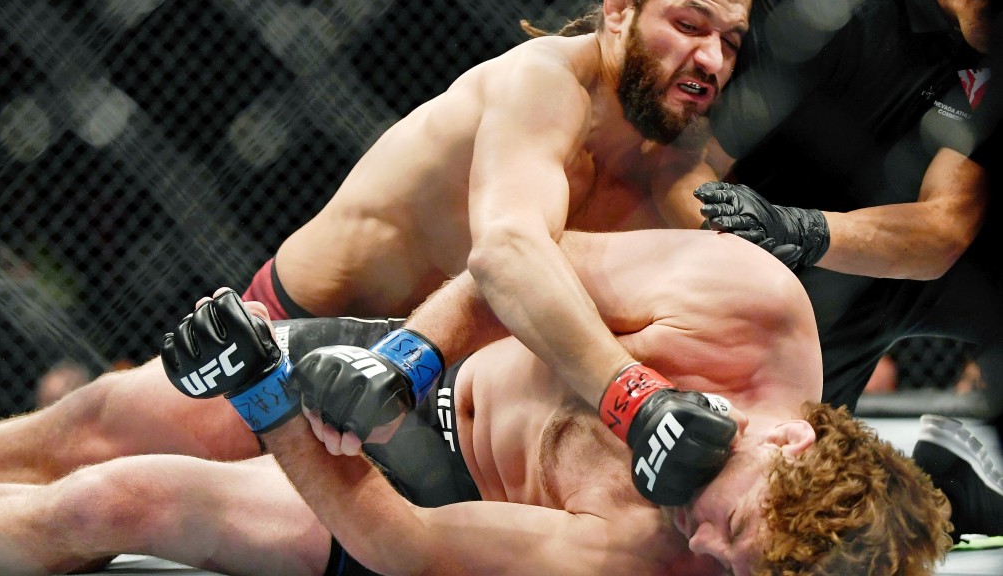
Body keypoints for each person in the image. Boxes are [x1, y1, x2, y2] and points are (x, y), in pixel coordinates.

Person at [0, 0, 756, 562]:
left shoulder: (677, 174)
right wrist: (638, 402)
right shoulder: (545, 84)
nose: (710, 58)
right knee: (74, 448)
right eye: (689, 24)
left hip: (424, 422)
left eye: (731, 41)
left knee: (115, 507)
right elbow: (506, 251)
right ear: (619, 7)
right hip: (297, 330)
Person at [158, 228, 950, 576]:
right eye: (734, 525)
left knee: (123, 499)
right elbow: (511, 261)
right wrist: (404, 362)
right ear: (786, 443)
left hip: (439, 496)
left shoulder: (658, 558)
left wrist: (263, 396)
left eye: (729, 569)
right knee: (108, 419)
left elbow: (409, 547)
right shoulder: (756, 313)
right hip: (430, 367)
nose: (706, 545)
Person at [687, 0, 1002, 536]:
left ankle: (965, 471)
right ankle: (939, 490)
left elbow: (945, 226)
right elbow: (689, 176)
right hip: (769, 281)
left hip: (887, 264)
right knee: (778, 519)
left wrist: (802, 229)